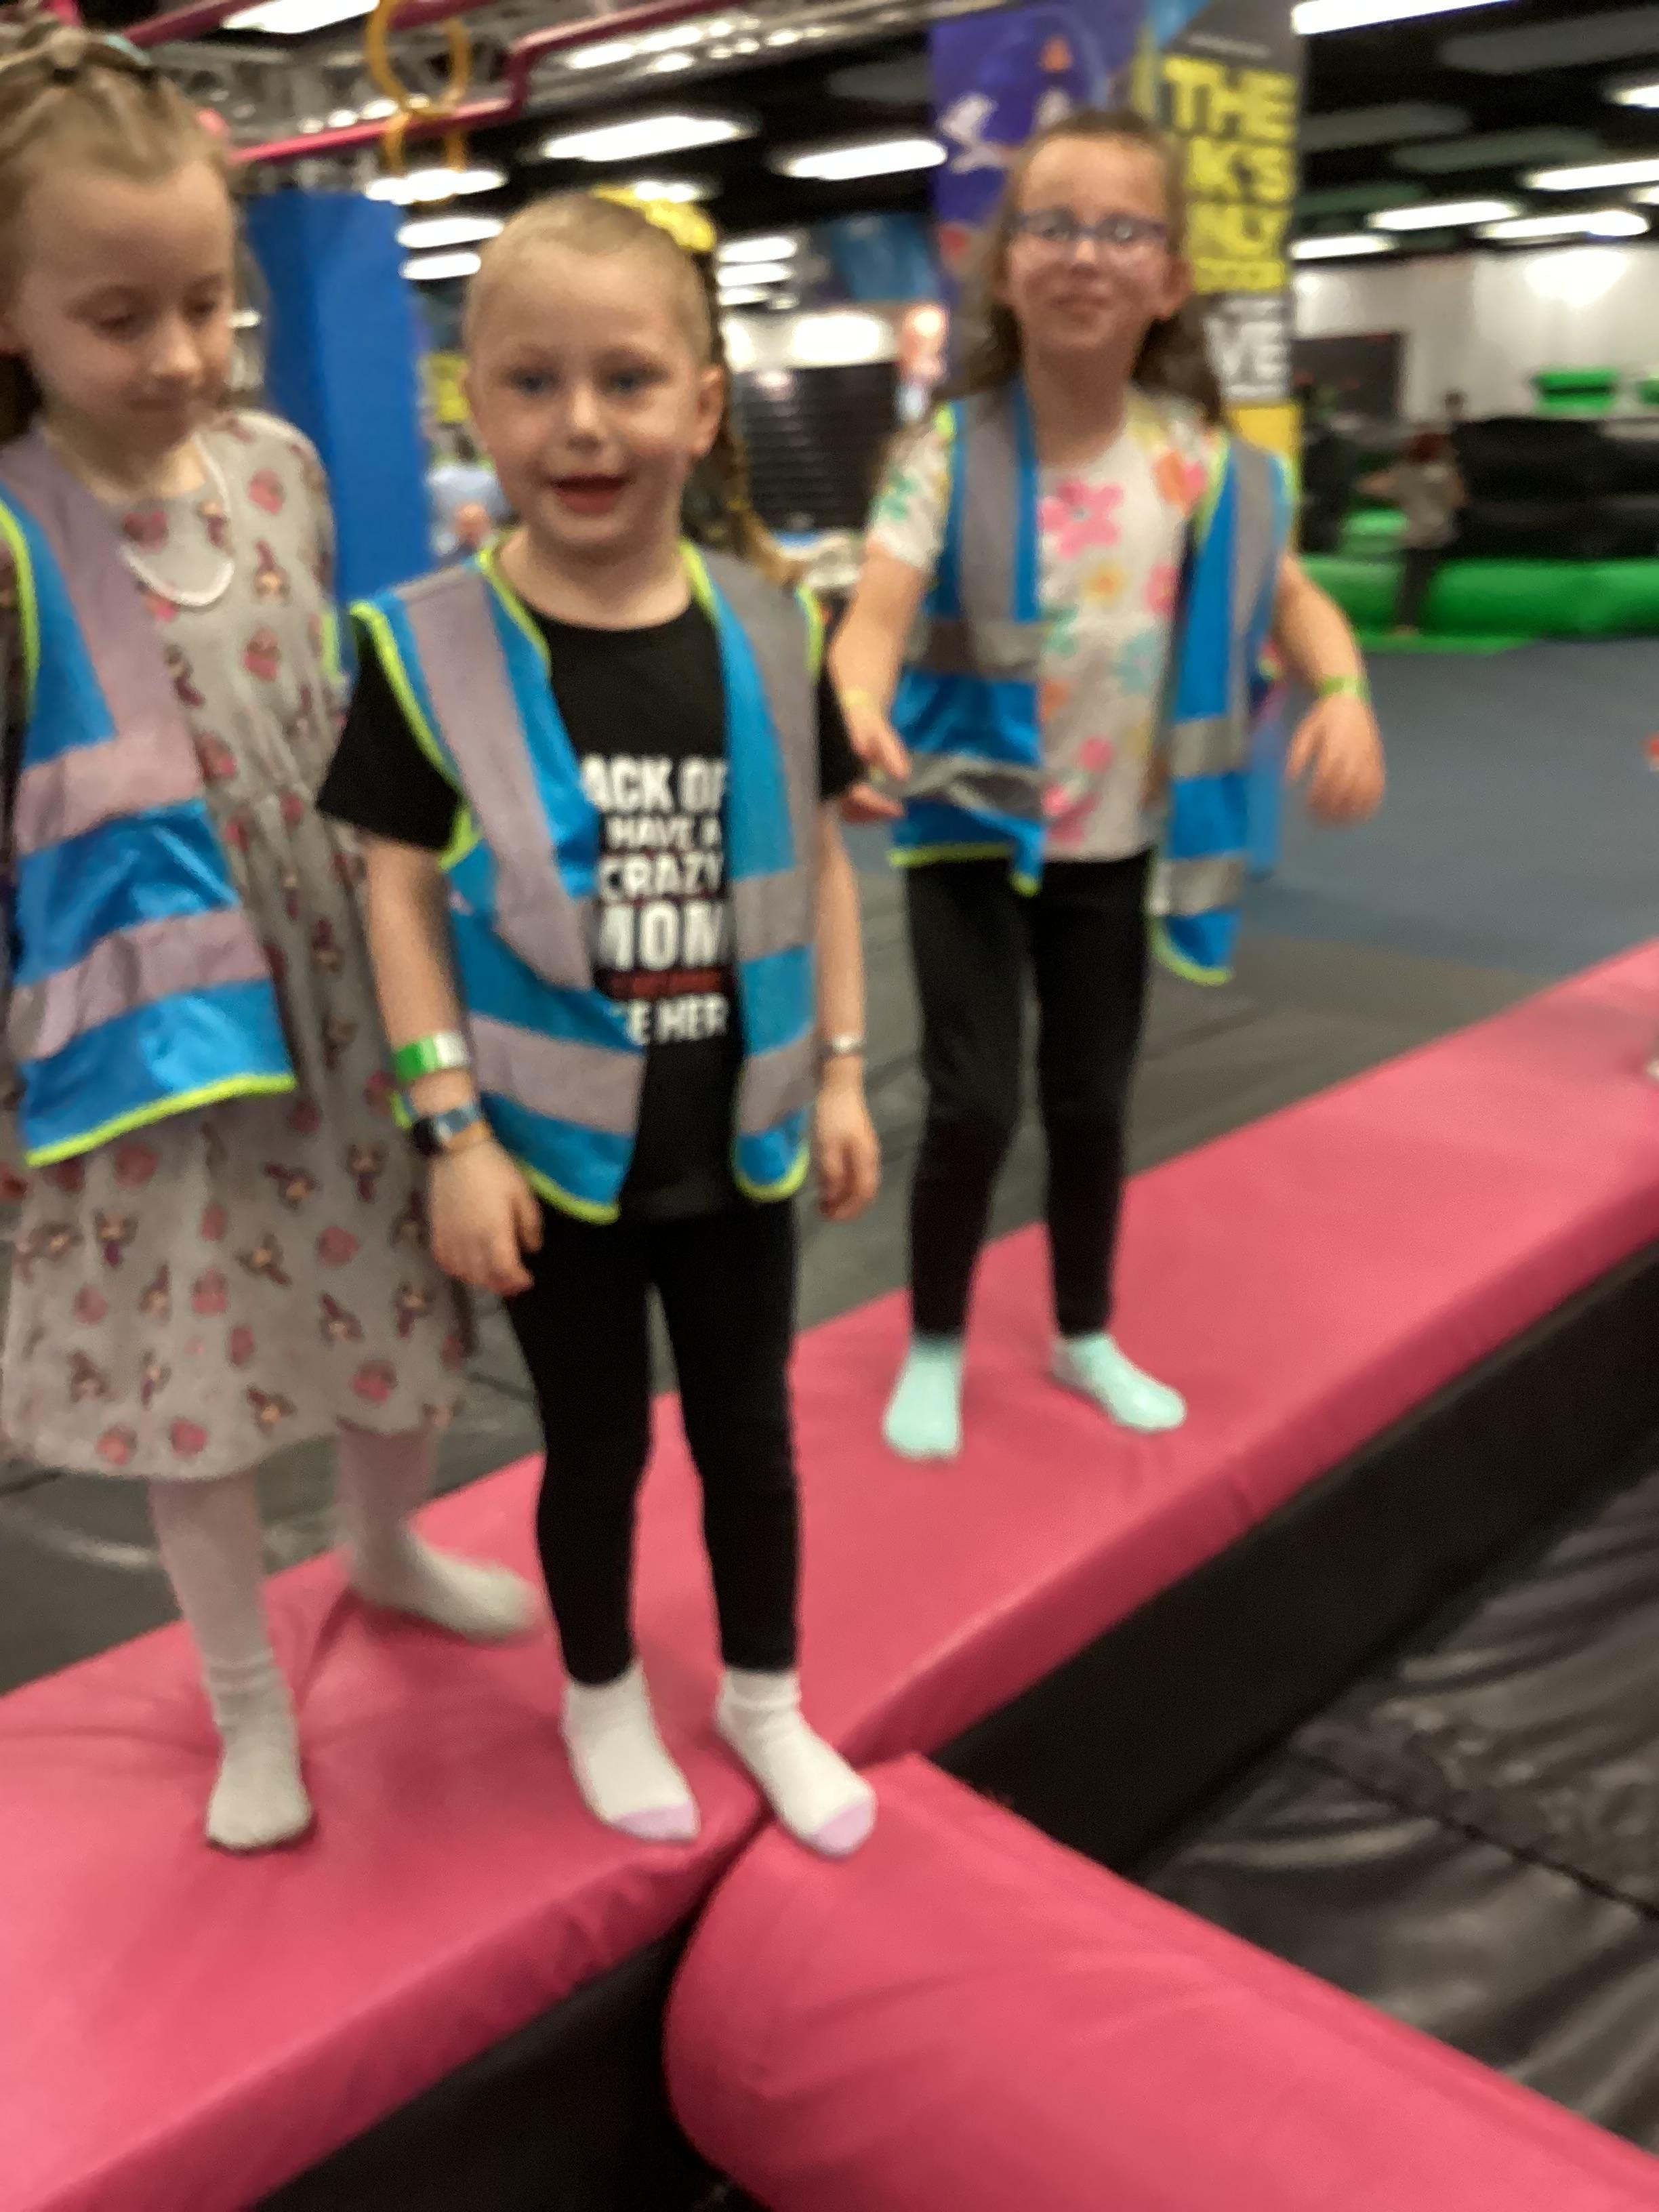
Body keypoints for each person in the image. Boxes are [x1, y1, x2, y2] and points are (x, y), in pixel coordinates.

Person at [0, 11, 533, 1854]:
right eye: (118, 316)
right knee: (197, 1369)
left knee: (397, 1285)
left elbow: (331, 708)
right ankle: (243, 1695)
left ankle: (386, 1545)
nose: (177, 353)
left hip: (337, 983)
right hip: (154, 1034)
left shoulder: (279, 470)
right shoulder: (11, 532)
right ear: (12, 315)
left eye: (207, 305)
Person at [319, 192, 883, 1858]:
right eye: (532, 382)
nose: (580, 425)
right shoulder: (426, 648)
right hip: (548, 1155)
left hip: (741, 1132)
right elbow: (397, 897)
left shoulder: (770, 627)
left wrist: (845, 1072)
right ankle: (599, 1689)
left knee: (751, 1437)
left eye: (627, 381)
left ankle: (766, 1693)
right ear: (472, 403)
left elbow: (821, 869)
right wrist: (451, 1132)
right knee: (595, 1445)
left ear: (703, 407)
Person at [831, 108, 1385, 1463]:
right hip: (969, 831)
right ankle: (937, 1339)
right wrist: (850, 705)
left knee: (1090, 1104)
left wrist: (1343, 689)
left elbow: (1294, 599)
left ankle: (1082, 1329)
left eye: (1121, 230)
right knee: (971, 1104)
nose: (1084, 254)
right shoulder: (945, 454)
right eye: (1052, 224)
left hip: (1112, 842)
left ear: (1170, 279)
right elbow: (876, 614)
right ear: (1005, 265)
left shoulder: (1195, 461)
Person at [1362, 429, 1465, 636]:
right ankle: (1408, 623)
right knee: (1420, 579)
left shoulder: (1404, 472)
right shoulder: (1445, 473)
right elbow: (1458, 500)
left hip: (1414, 533)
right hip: (1439, 533)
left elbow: (1372, 487)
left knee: (1411, 581)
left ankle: (1404, 623)